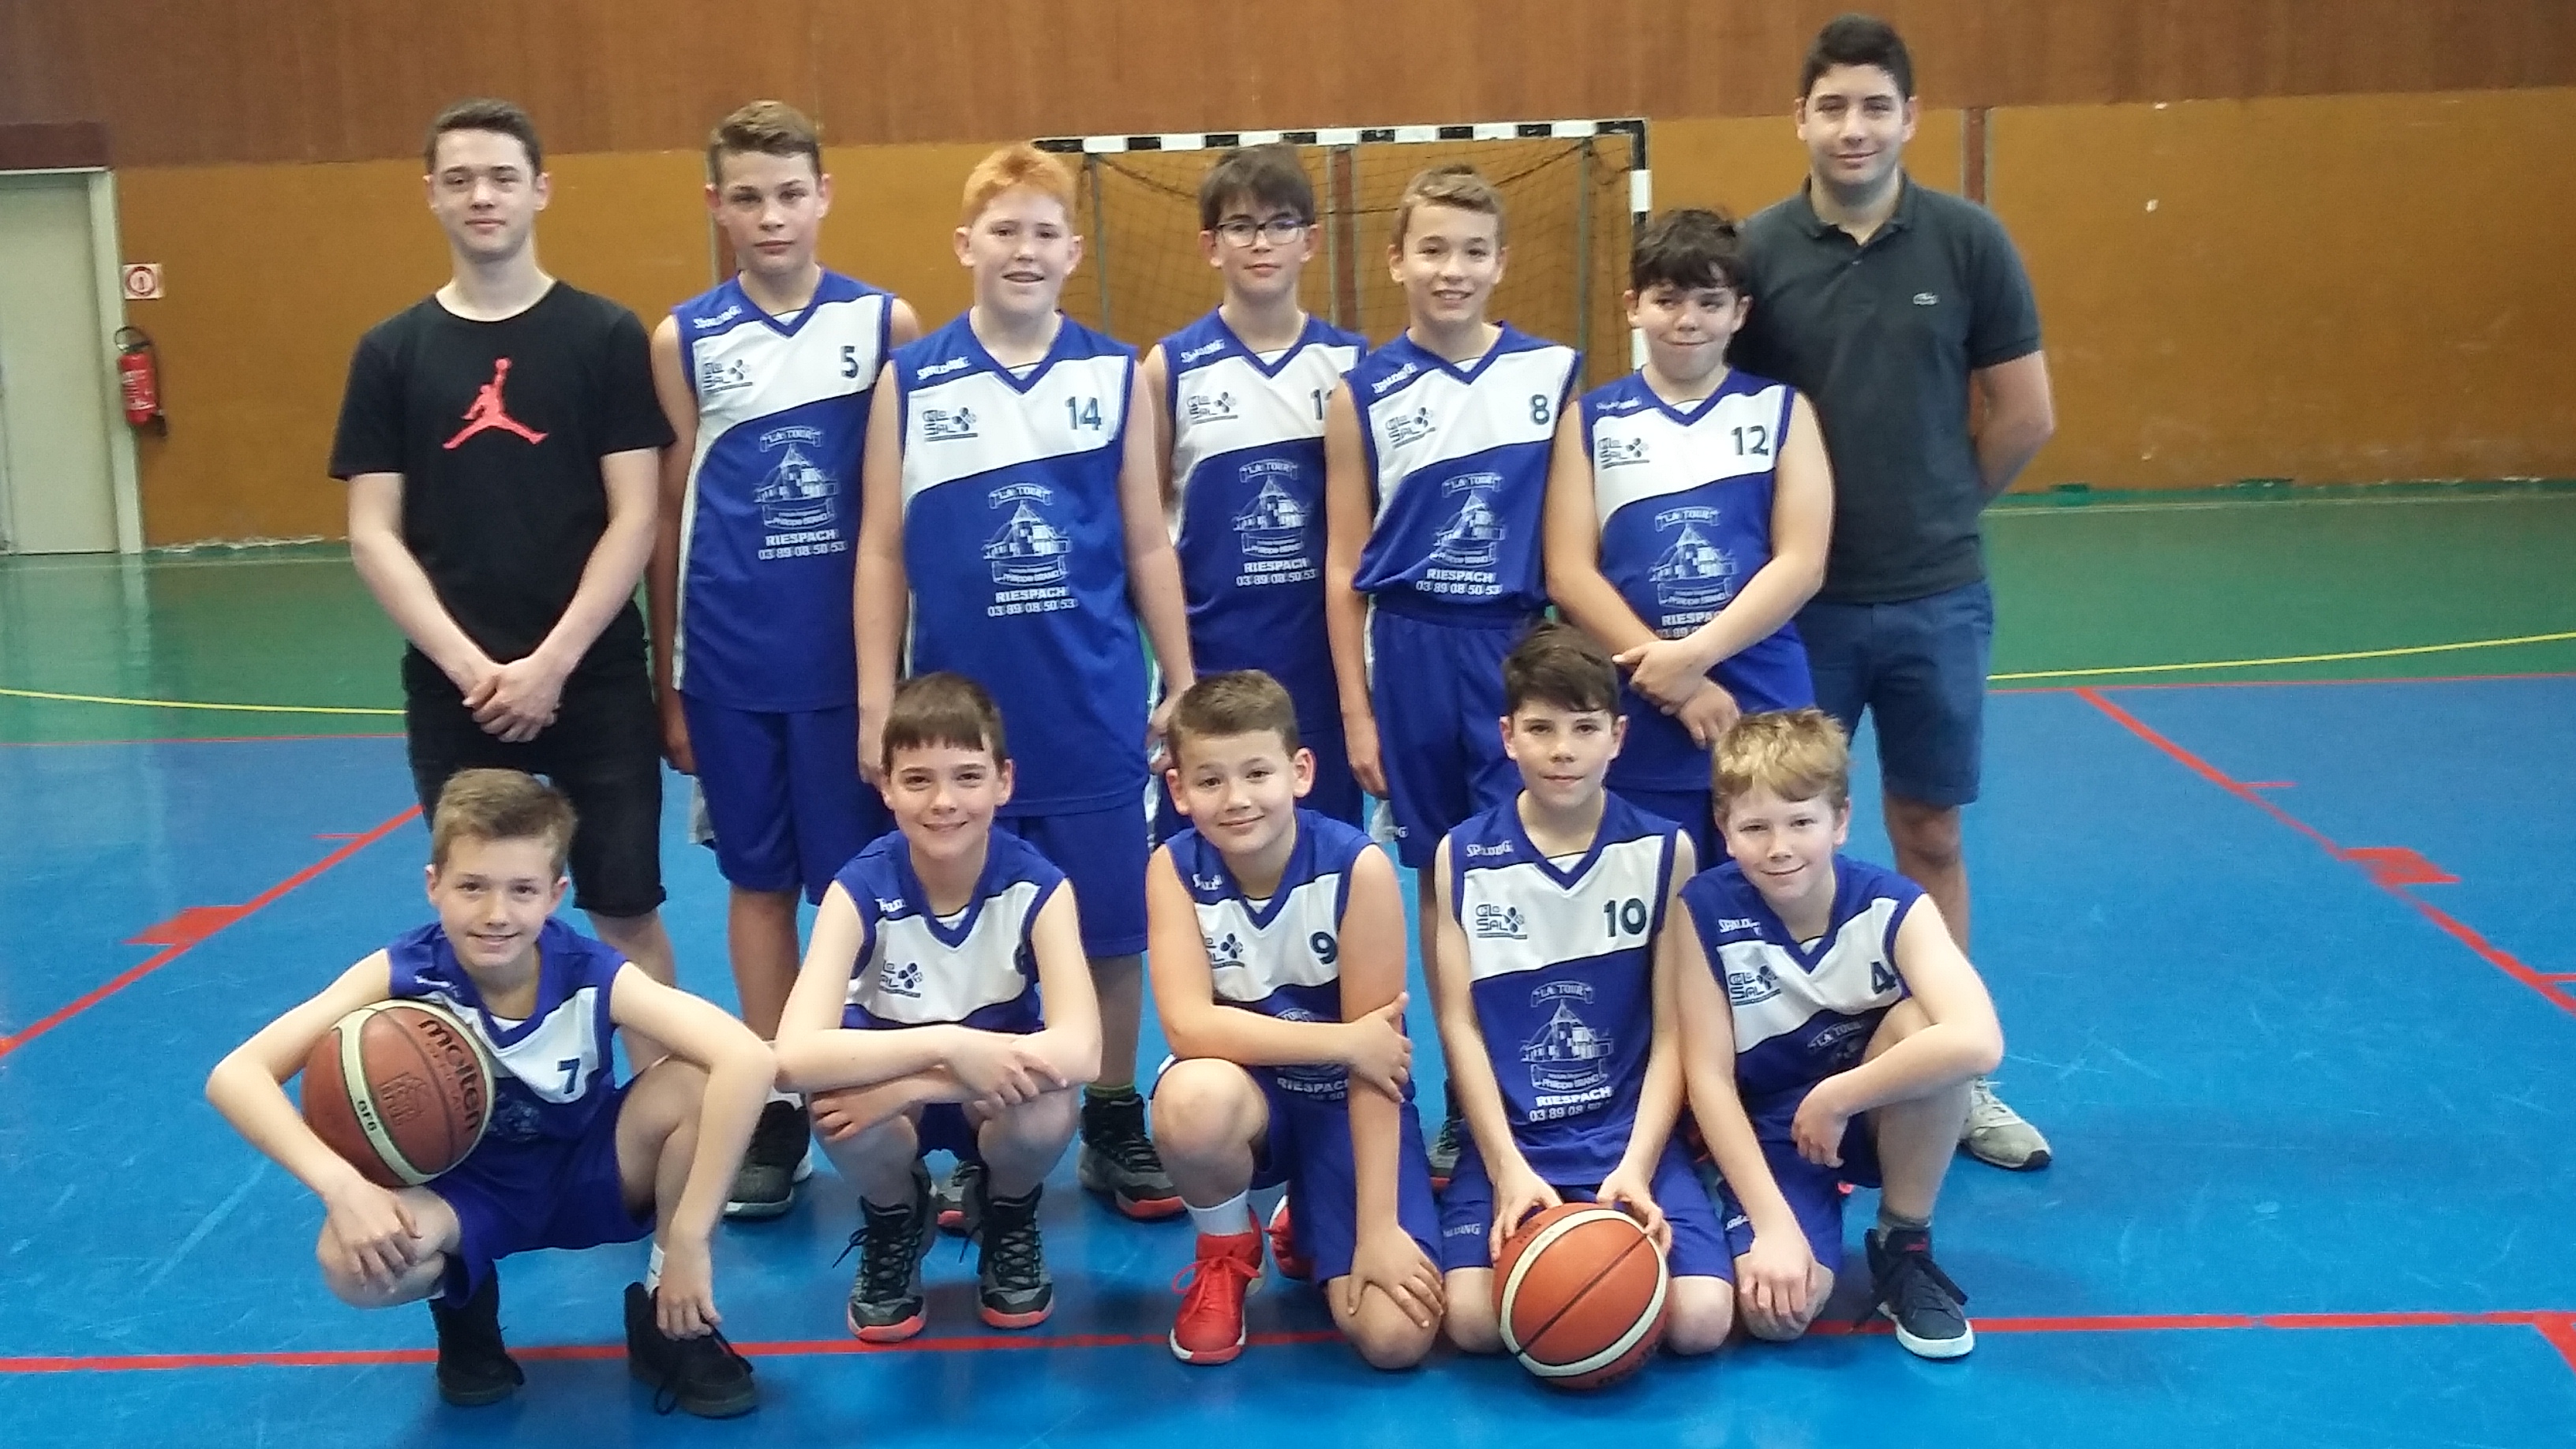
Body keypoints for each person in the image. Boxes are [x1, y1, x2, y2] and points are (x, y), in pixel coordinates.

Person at [1730, 14, 2058, 1170]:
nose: (1854, 127)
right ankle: (1768, 1072)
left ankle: (1950, 1078)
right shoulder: (1759, 253)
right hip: (1798, 609)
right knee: (1778, 838)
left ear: (1911, 117)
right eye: (1833, 106)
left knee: (1928, 829)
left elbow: (2024, 414)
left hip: (1933, 597)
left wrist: (1941, 506)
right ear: (1801, 119)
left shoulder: (1969, 243)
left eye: (1876, 106)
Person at [853, 143, 1195, 1220]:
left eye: (1046, 232)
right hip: (957, 721)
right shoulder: (912, 380)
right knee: (965, 926)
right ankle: (972, 1128)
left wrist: (1181, 680)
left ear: (1074, 251)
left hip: (1090, 702)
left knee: (1110, 928)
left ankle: (1110, 1114)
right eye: (1004, 230)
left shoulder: (1115, 375)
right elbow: (880, 550)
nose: (1025, 250)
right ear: (966, 245)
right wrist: (875, 699)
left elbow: (1147, 542)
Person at [203, 769, 770, 1417]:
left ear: (555, 895)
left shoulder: (592, 972)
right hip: (466, 1195)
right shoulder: (403, 973)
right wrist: (343, 1188)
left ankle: (669, 1316)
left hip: (587, 1173)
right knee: (350, 1265)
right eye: (472, 886)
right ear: (434, 885)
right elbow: (236, 1075)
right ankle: (463, 1302)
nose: (497, 914)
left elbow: (747, 1057)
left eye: (521, 890)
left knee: (697, 1081)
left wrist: (689, 1240)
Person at [331, 99, 682, 1013]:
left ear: (540, 190)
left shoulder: (604, 336)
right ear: (432, 195)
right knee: (484, 921)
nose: (481, 196)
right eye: (460, 180)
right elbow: (372, 531)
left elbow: (635, 515)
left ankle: (663, 1097)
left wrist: (552, 664)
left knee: (625, 909)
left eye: (501, 178)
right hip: (458, 690)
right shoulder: (392, 353)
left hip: (592, 677)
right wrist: (473, 670)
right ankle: (506, 1096)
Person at [645, 99, 923, 1219]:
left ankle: (876, 1084)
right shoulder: (684, 340)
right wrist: (669, 680)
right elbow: (671, 511)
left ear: (824, 196)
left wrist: (896, 677)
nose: (771, 216)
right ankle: (772, 1102)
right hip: (731, 666)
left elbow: (902, 509)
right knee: (758, 886)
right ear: (716, 205)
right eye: (748, 197)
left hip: (850, 672)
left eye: (790, 194)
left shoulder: (883, 323)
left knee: (870, 890)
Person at [1322, 163, 1581, 1182]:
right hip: (1412, 652)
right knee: (1443, 883)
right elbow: (1344, 566)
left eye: (1473, 251)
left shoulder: (1550, 374)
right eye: (1431, 249)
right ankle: (1466, 1104)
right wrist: (1356, 712)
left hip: (1516, 647)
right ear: (1396, 260)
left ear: (1502, 261)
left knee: (1528, 872)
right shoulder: (1363, 392)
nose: (1452, 269)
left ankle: (1538, 1086)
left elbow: (1572, 543)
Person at [1425, 624, 1733, 1358]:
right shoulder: (1461, 856)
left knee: (1701, 1321)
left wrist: (1637, 1165)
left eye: (1585, 728)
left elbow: (1673, 1029)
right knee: (1472, 1324)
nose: (1563, 750)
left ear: (1617, 737)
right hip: (1515, 1137)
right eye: (1541, 728)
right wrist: (1506, 1167)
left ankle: (1692, 1192)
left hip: (1628, 1135)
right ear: (1507, 736)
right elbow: (1460, 1026)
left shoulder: (1665, 851)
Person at [771, 673, 1100, 1338]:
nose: (944, 802)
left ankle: (1007, 1208)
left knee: (1049, 1102)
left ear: (1004, 781)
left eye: (967, 777)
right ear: (887, 788)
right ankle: (896, 1214)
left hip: (985, 1093)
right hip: (905, 1088)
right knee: (835, 1103)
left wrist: (923, 1080)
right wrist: (947, 1046)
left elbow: (1084, 1050)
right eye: (918, 780)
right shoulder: (858, 890)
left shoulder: (1039, 888)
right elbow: (792, 1057)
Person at [1674, 708, 2005, 1358]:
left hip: (1867, 1109)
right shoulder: (1704, 910)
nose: (1779, 847)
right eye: (1755, 827)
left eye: (1801, 823)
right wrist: (1773, 1225)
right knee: (1777, 1315)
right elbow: (1708, 1078)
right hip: (1774, 1128)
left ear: (1841, 821)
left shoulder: (1893, 905)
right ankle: (1747, 1195)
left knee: (1928, 1030)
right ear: (1725, 829)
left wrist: (1837, 1097)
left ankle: (1903, 1244)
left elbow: (1980, 1041)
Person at [1144, 671, 1443, 1368]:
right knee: (1190, 1101)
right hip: (1251, 1105)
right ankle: (1226, 1248)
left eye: (1257, 773)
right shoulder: (1174, 868)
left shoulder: (1357, 869)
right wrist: (1342, 1041)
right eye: (1210, 780)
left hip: (1347, 1105)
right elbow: (1188, 1028)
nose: (1237, 799)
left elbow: (1378, 1065)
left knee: (1395, 1338)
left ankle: (1311, 1215)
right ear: (1179, 790)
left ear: (1300, 771)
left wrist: (1378, 1229)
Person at [1544, 206, 1831, 866]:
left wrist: (1695, 657)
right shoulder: (1591, 420)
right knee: (1656, 895)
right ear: (1633, 307)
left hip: (1763, 695)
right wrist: (1672, 682)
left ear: (1740, 312)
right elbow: (1568, 572)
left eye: (1710, 302)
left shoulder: (1782, 411)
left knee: (1772, 884)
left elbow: (1802, 562)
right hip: (1640, 708)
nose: (1688, 320)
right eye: (1667, 300)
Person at [1140, 144, 1368, 835]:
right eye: (1240, 226)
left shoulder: (1354, 365)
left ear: (1311, 241)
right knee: (1202, 856)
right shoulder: (1170, 368)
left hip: (1318, 667)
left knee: (1320, 856)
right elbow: (1147, 528)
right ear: (1211, 245)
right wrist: (1178, 675)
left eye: (1280, 224)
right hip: (1211, 660)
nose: (1261, 243)